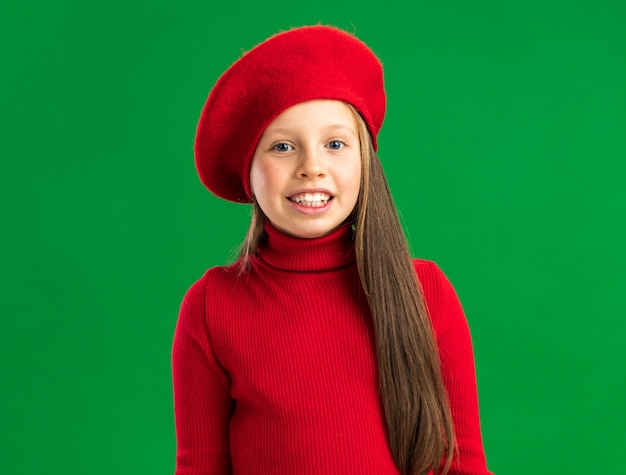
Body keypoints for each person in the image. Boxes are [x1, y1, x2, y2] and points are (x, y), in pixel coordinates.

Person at [172, 25, 493, 475]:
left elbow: (463, 467)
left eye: (335, 144)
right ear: (248, 170)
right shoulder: (212, 307)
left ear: (364, 159)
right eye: (283, 146)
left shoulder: (426, 292)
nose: (311, 168)